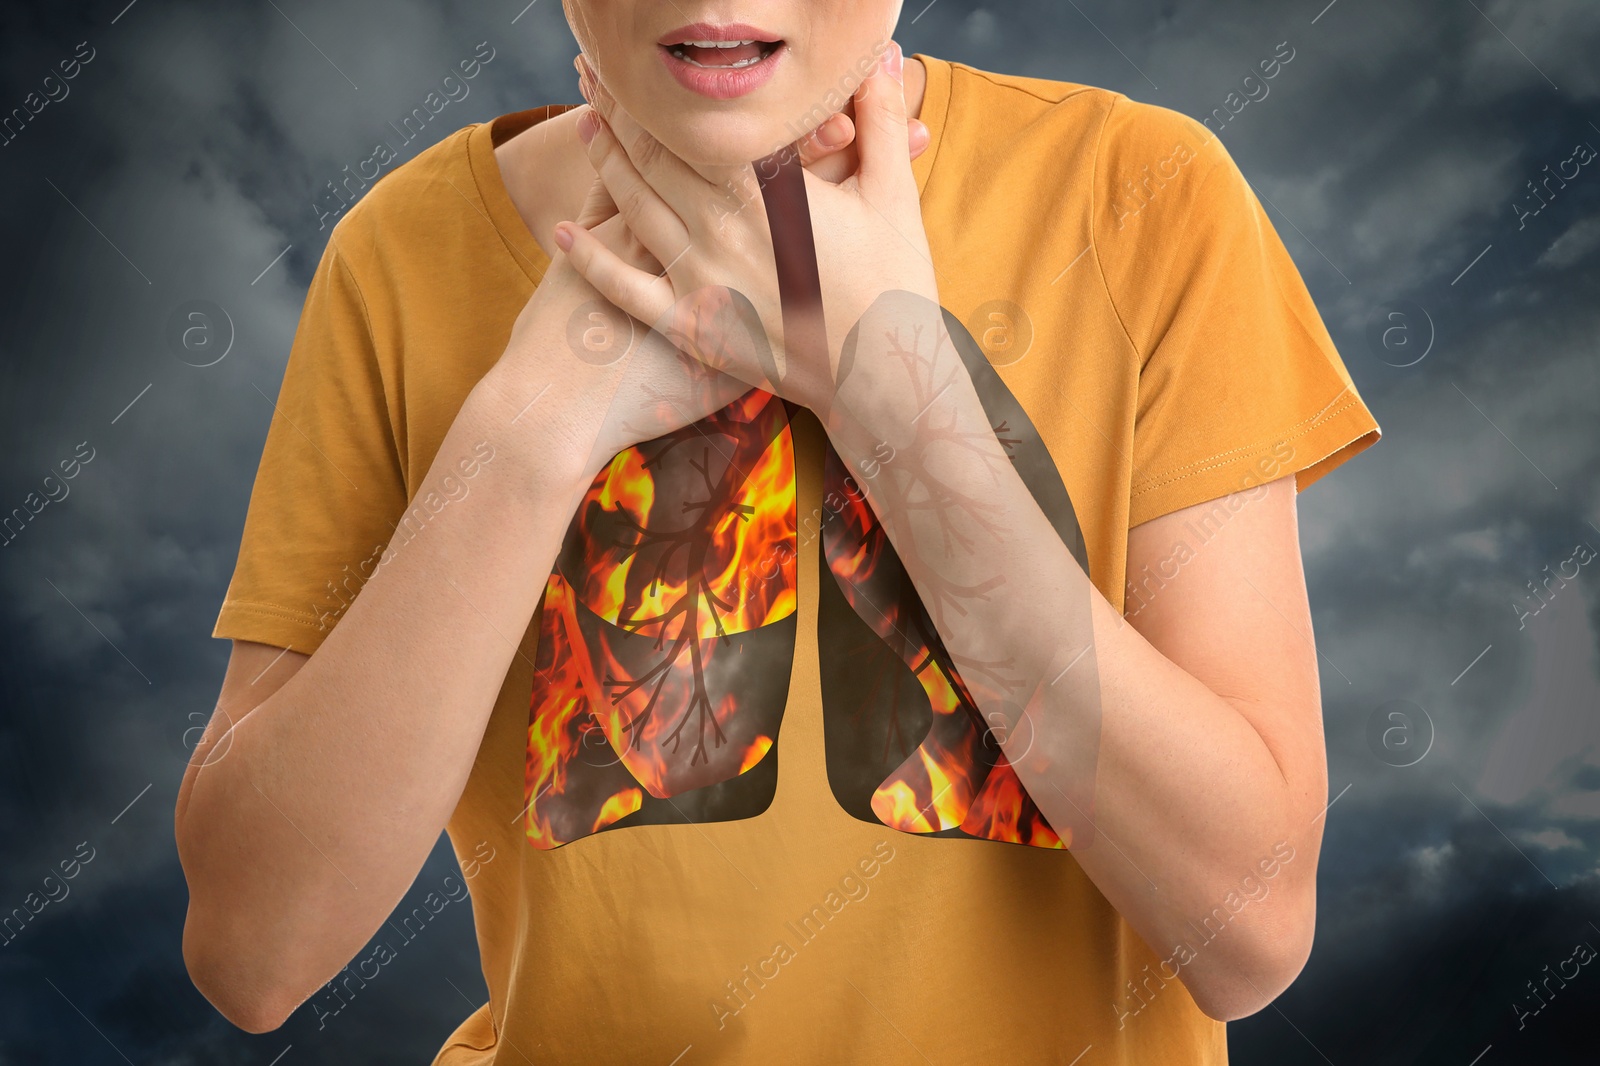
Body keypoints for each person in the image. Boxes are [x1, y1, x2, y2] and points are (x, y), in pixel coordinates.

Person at [175, 2, 1382, 1063]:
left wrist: (893, 403)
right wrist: (521, 439)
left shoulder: (1137, 196)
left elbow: (1251, 931)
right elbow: (254, 952)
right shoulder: (403, 255)